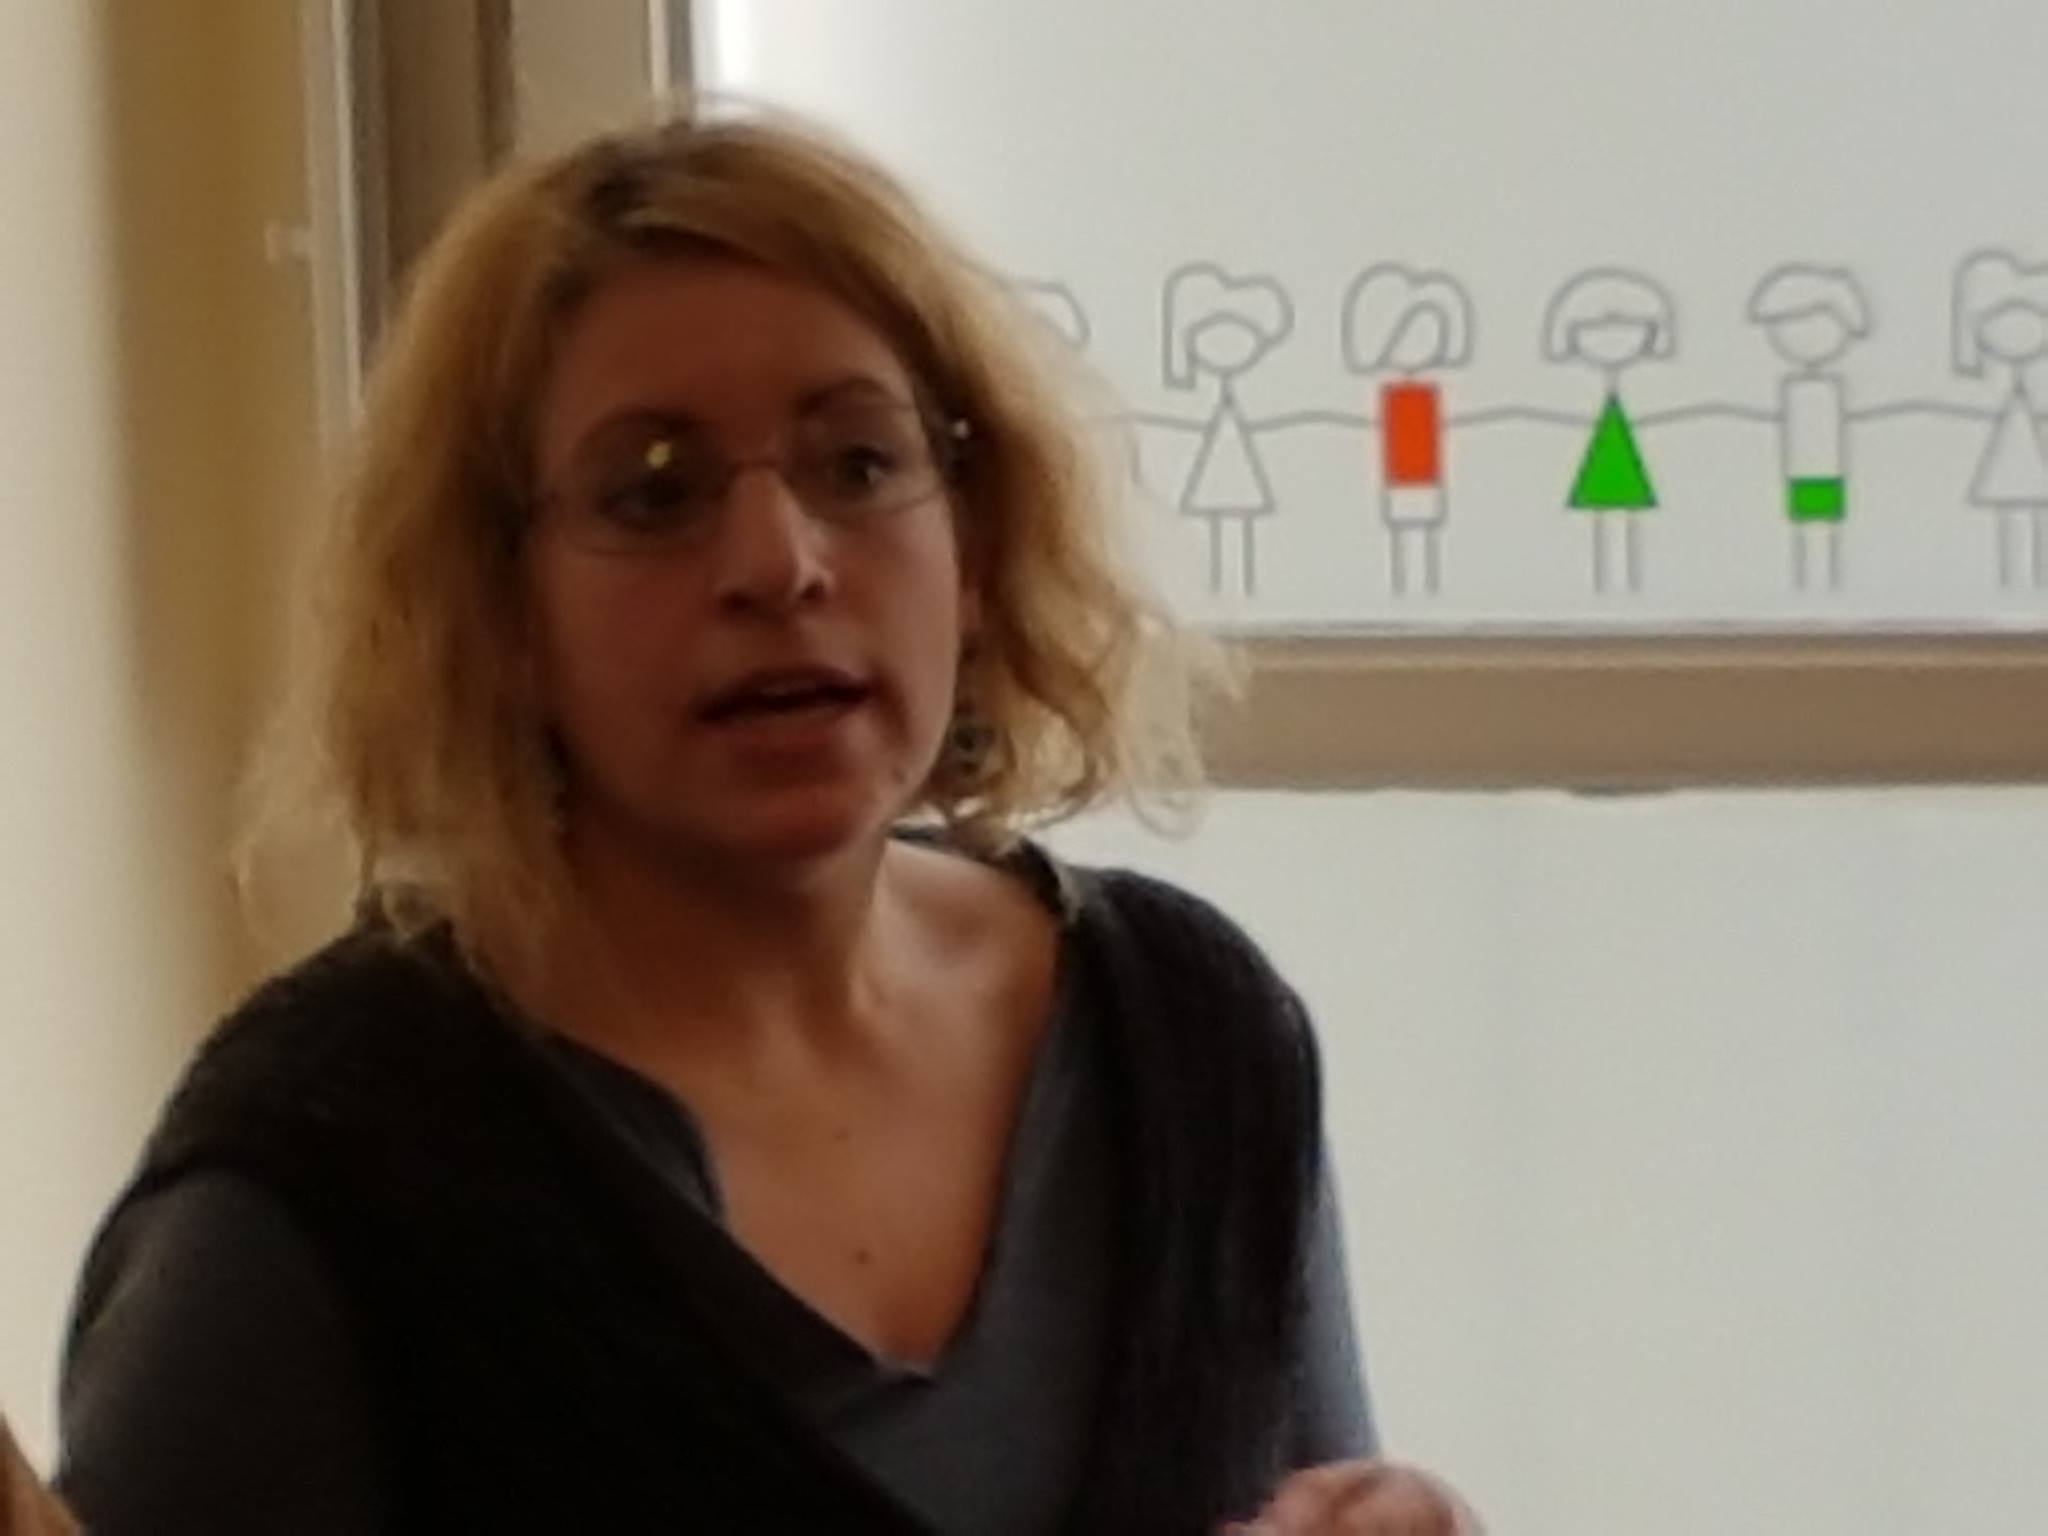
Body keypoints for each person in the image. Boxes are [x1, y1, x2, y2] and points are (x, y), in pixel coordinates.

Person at [55, 104, 1472, 1534]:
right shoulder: (331, 1169)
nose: (779, 562)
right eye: (652, 494)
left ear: (975, 543)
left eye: (858, 465)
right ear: (500, 612)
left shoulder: (1189, 1041)